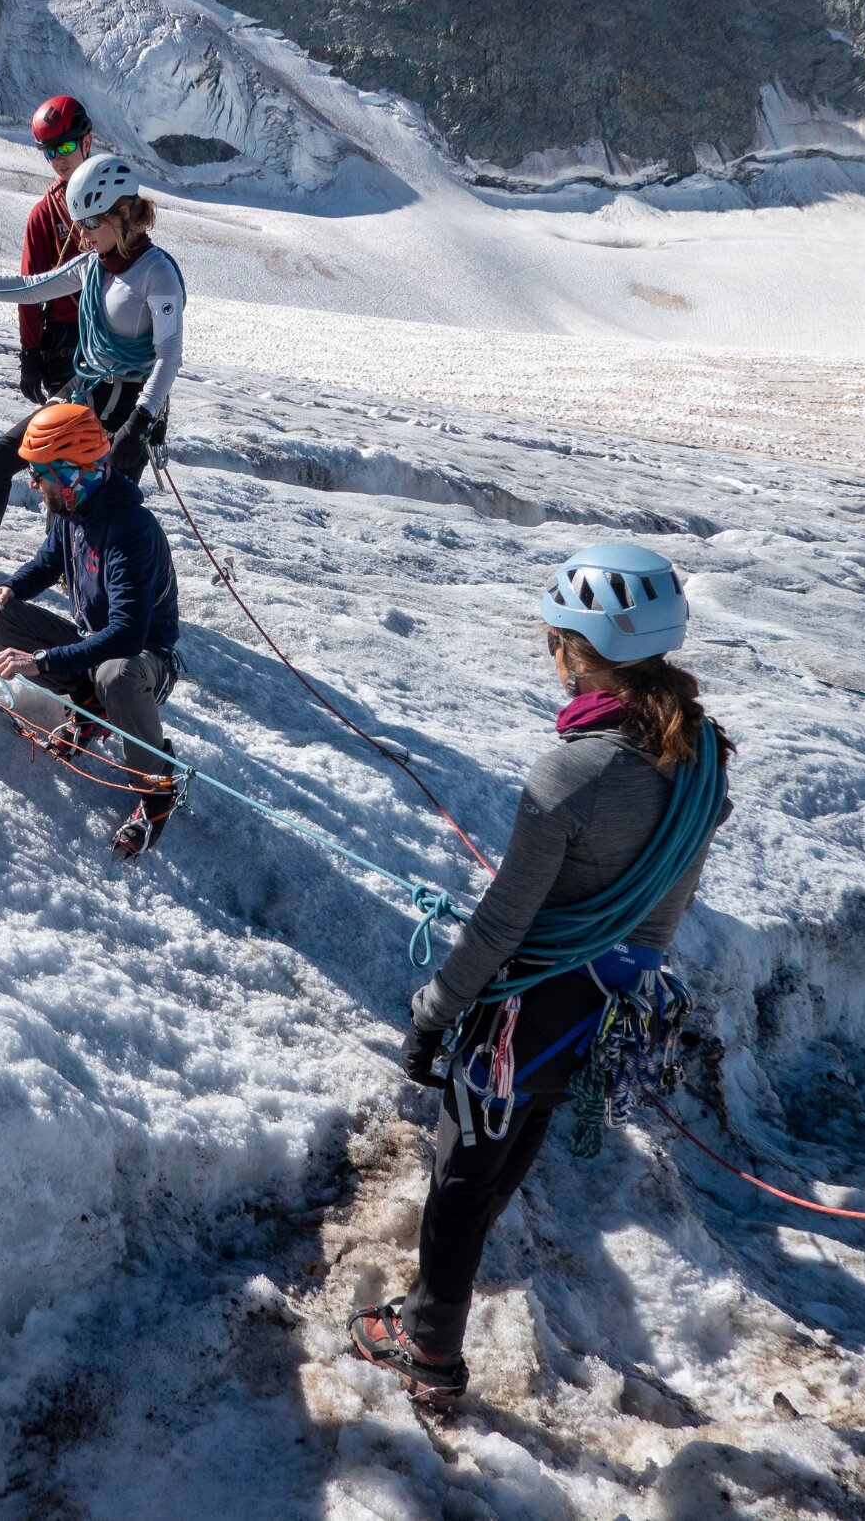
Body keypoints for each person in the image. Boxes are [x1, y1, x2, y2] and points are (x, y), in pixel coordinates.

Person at [351, 543, 735, 1407]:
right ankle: (435, 1308)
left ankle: (429, 1349)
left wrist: (434, 1009)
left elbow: (502, 924)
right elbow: (664, 897)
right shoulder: (703, 750)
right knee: (507, 1152)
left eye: (553, 640)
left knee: (460, 1174)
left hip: (528, 1004)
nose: (549, 656)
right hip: (610, 1003)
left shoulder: (575, 771)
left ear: (576, 648)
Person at [0, 153, 184, 602]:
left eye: (90, 224)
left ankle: (100, 608)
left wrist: (141, 420)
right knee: (1, 458)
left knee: (93, 513)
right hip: (88, 388)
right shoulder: (92, 265)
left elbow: (170, 354)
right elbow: (29, 287)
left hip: (131, 402)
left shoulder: (157, 273)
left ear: (122, 214)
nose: (82, 235)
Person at [0, 403, 183, 856]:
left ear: (70, 471)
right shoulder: (74, 507)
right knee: (4, 618)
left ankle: (158, 786)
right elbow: (48, 564)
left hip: (145, 661)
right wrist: (6, 590)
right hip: (96, 646)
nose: (32, 482)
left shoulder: (130, 528)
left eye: (40, 472)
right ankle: (93, 706)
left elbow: (128, 635)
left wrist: (44, 660)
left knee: (116, 674)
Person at [18, 95, 93, 402]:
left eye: (65, 147)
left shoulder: (118, 198)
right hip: (66, 341)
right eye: (50, 151)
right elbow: (28, 289)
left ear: (86, 142)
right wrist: (30, 353)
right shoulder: (44, 214)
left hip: (116, 332)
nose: (59, 159)